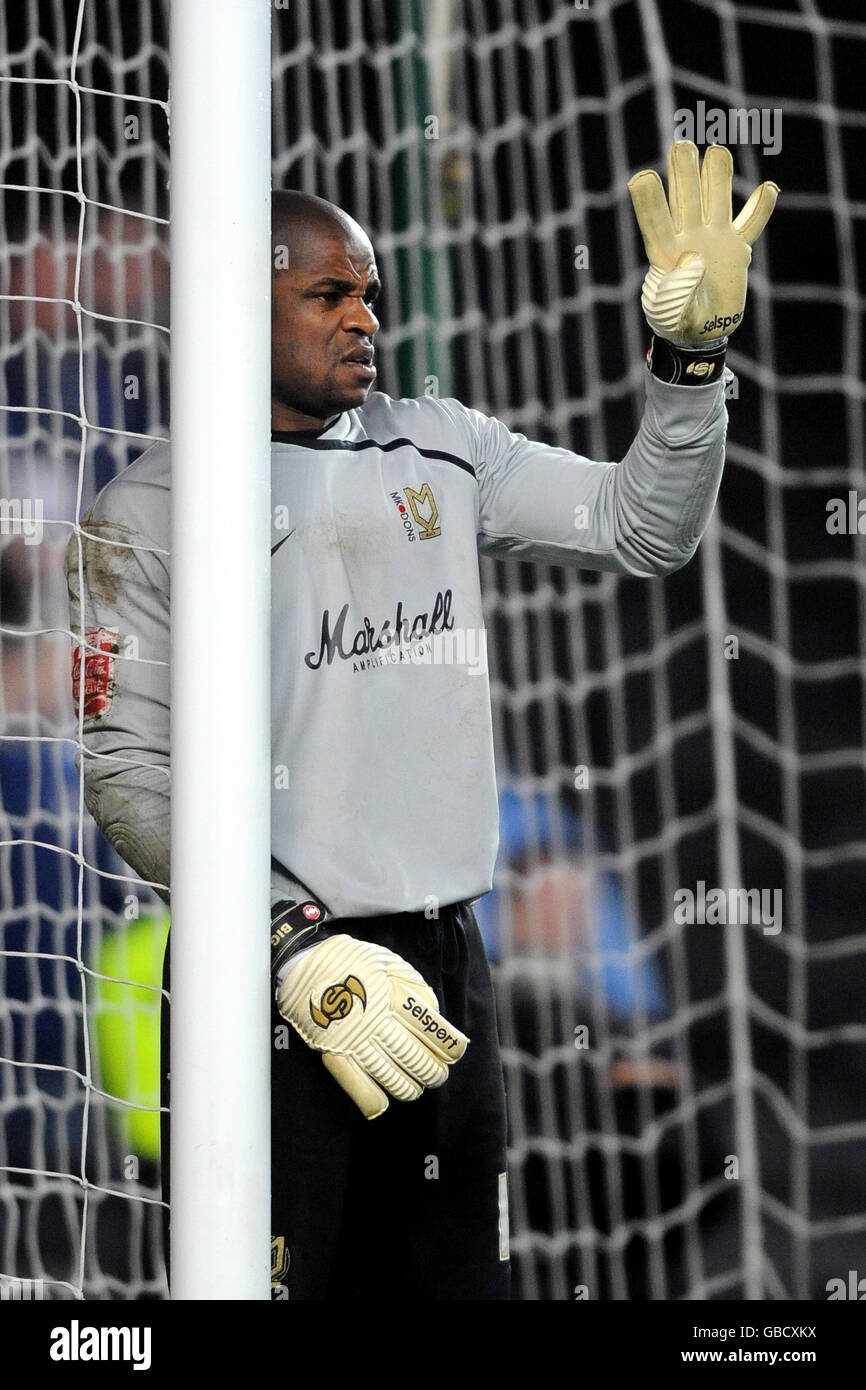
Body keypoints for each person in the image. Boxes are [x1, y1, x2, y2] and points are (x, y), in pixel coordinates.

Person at [65, 141, 777, 1300]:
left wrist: (688, 367)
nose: (364, 319)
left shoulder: (443, 445)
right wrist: (290, 947)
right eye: (328, 294)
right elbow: (127, 773)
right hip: (275, 984)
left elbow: (639, 526)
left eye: (372, 295)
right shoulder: (145, 511)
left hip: (444, 971)